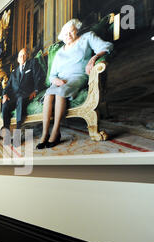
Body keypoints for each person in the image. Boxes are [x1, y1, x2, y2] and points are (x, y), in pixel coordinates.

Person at [36, 19, 113, 149]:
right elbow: (52, 75)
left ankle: (55, 132)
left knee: (61, 92)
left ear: (76, 30)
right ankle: (44, 134)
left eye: (71, 32)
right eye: (65, 34)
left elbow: (107, 46)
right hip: (60, 80)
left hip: (78, 76)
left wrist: (94, 58)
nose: (69, 35)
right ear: (62, 36)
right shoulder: (60, 52)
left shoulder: (87, 38)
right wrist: (56, 81)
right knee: (49, 94)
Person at [1, 48, 44, 143]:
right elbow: (7, 87)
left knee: (20, 99)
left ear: (27, 56)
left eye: (24, 54)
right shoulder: (13, 73)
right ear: (17, 59)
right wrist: (4, 95)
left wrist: (36, 90)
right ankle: (6, 131)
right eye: (20, 55)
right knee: (6, 103)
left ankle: (18, 132)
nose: (22, 57)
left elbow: (39, 77)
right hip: (14, 96)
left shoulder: (32, 63)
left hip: (26, 95)